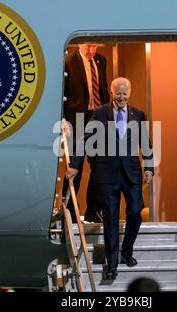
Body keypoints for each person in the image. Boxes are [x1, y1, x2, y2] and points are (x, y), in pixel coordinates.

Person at [66, 77, 153, 280]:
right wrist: (75, 166)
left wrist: (149, 168)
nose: (121, 97)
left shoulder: (138, 114)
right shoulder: (100, 113)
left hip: (131, 173)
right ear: (111, 92)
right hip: (108, 174)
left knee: (135, 212)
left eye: (125, 93)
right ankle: (112, 265)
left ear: (129, 92)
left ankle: (126, 252)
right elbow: (84, 140)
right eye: (117, 93)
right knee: (111, 219)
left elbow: (146, 143)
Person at [62, 43, 109, 223]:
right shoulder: (68, 62)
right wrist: (63, 118)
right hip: (77, 118)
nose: (92, 51)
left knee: (100, 165)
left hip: (97, 116)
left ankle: (93, 210)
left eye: (95, 47)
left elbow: (103, 89)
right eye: (89, 46)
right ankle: (70, 211)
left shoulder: (101, 60)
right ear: (81, 44)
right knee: (75, 166)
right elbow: (62, 92)